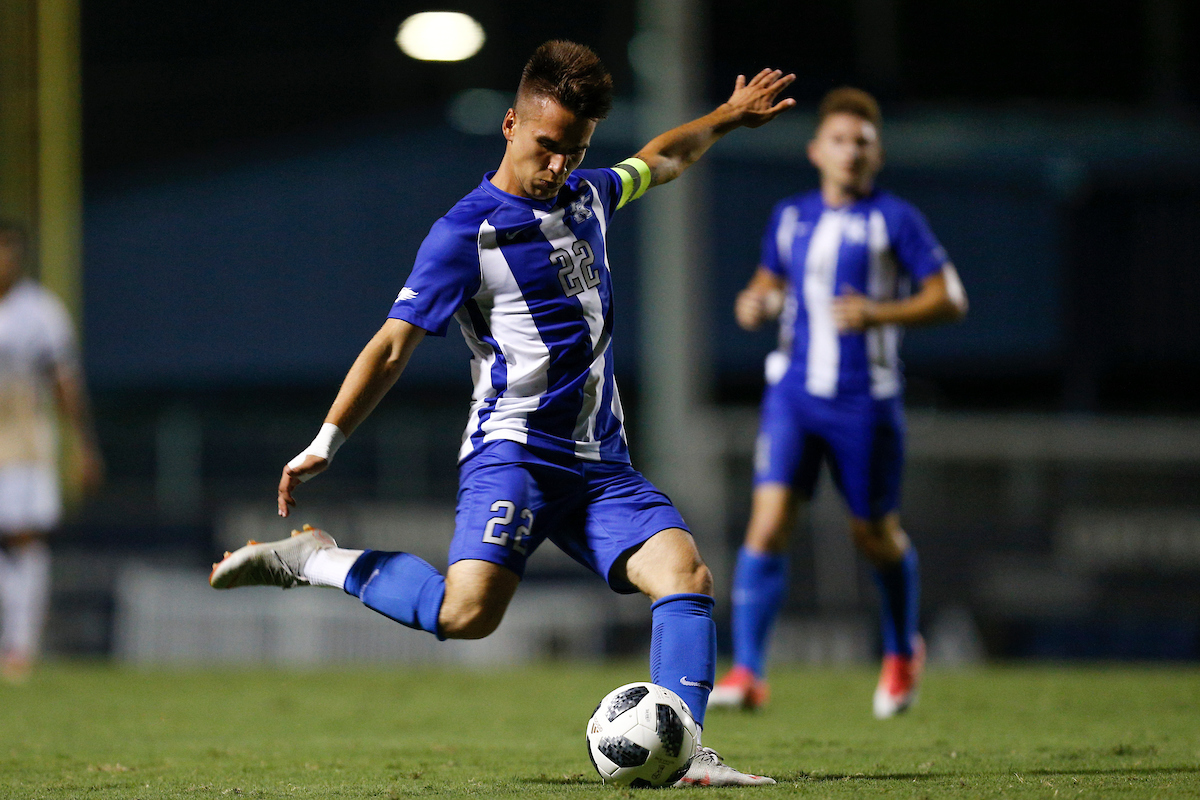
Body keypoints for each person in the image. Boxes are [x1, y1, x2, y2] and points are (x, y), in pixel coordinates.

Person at [211, 41, 794, 786]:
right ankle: (315, 559)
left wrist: (727, 117)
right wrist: (328, 438)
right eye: (548, 147)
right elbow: (392, 347)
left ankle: (685, 753)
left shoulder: (588, 195)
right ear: (513, 124)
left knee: (686, 576)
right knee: (466, 616)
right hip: (514, 454)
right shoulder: (467, 234)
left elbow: (663, 157)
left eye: (575, 151)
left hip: (599, 464)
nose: (559, 167)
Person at [708, 87, 968, 719]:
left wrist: (880, 311)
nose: (851, 152)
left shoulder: (895, 219)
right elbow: (769, 283)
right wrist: (756, 301)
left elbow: (950, 297)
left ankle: (902, 650)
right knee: (766, 525)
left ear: (876, 156)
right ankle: (747, 671)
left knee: (872, 535)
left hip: (866, 401)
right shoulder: (791, 216)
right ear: (815, 150)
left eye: (863, 143)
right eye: (840, 140)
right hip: (794, 393)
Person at [0, 220, 104, 683]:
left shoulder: (40, 311)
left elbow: (65, 382)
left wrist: (82, 445)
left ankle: (20, 647)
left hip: (24, 434)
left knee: (24, 536)